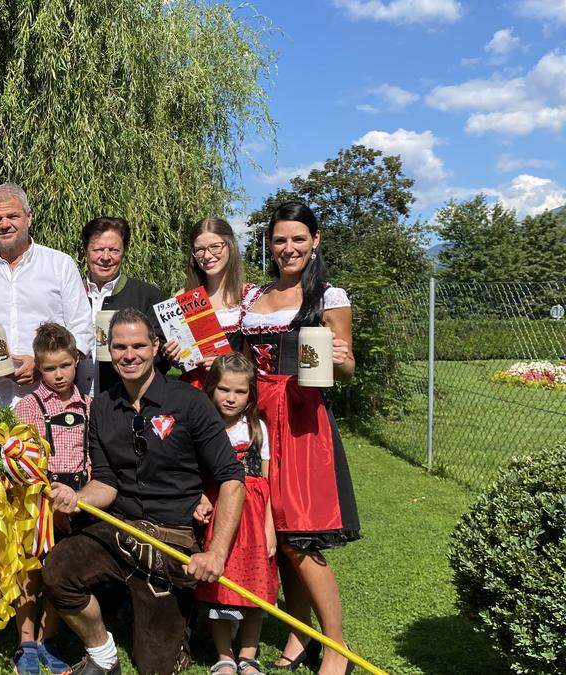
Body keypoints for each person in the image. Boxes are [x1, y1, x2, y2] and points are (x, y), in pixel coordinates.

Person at [42, 309, 246, 675]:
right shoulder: (102, 406)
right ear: (109, 350)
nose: (129, 354)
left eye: (138, 345)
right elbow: (105, 482)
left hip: (171, 540)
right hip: (119, 528)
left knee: (155, 667)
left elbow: (232, 478)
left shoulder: (190, 403)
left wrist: (215, 554)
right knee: (58, 571)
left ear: (155, 347)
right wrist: (78, 498)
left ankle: (178, 623)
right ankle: (103, 655)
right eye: (120, 346)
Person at [240, 200, 360, 675]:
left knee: (300, 537)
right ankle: (299, 635)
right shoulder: (255, 297)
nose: (288, 248)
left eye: (297, 239)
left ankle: (337, 650)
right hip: (259, 418)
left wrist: (343, 356)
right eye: (279, 240)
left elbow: (346, 370)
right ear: (269, 245)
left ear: (315, 241)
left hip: (302, 420)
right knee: (278, 534)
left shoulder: (330, 297)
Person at [0, 182, 92, 407]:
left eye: (12, 216)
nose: (4, 224)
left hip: (48, 398)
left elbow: (82, 330)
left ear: (28, 217)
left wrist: (43, 366)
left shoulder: (60, 264)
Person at [9, 322, 90, 674]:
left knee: (61, 572)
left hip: (74, 503)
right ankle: (25, 643)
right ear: (39, 367)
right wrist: (45, 496)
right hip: (37, 502)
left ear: (76, 360)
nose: (59, 375)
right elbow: (23, 461)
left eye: (65, 366)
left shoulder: (88, 405)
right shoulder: (29, 406)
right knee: (31, 572)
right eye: (50, 368)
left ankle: (47, 639)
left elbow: (90, 455)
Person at [196, 353, 277, 675]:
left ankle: (248, 654)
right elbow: (196, 475)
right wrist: (201, 498)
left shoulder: (258, 430)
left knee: (256, 585)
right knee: (222, 583)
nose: (231, 398)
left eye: (239, 392)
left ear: (250, 395)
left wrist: (270, 529)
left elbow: (267, 484)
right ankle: (224, 655)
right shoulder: (204, 427)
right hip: (220, 516)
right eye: (224, 389)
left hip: (255, 520)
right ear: (211, 388)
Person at [77, 216, 166, 396]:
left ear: (124, 251)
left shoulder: (148, 296)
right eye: (98, 249)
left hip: (124, 401)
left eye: (114, 250)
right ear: (86, 252)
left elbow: (162, 353)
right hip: (72, 402)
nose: (106, 257)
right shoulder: (70, 293)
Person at [169, 217, 257, 389]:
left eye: (215, 247)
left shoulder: (250, 297)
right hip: (193, 391)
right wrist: (173, 355)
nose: (207, 256)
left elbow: (257, 361)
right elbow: (182, 362)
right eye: (199, 250)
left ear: (230, 245)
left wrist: (227, 363)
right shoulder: (182, 297)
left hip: (233, 393)